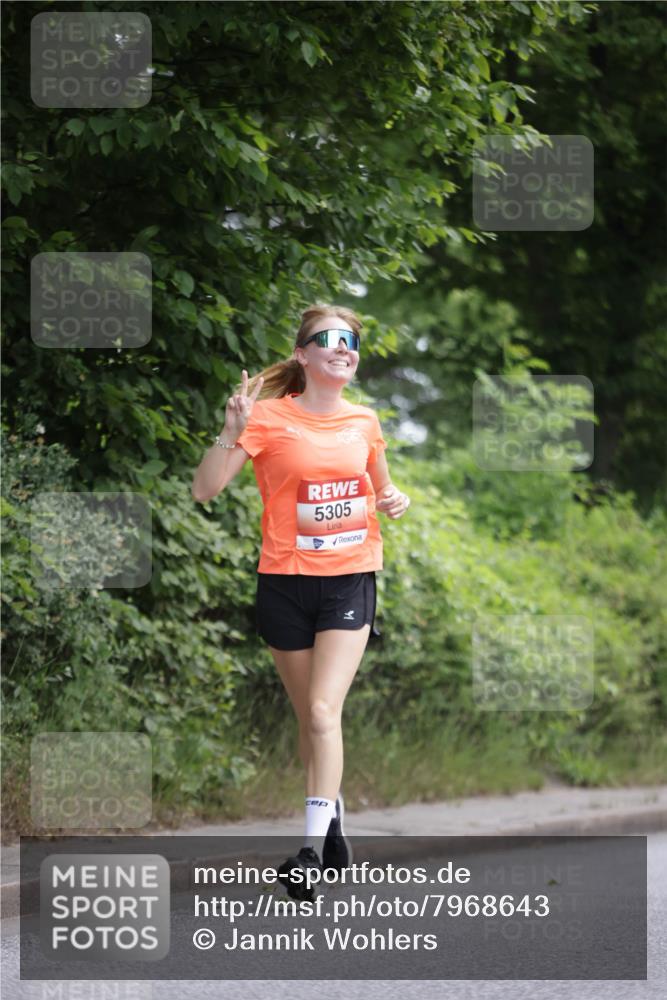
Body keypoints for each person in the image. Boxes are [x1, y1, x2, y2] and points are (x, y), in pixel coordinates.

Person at [191, 303, 410, 901]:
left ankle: (310, 852)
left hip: (349, 580)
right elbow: (205, 489)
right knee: (308, 720)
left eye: (352, 341)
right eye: (330, 339)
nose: (344, 348)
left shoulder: (365, 421)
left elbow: (383, 487)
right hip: (284, 583)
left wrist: (393, 500)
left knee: (321, 712)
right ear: (303, 355)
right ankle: (332, 812)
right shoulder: (265, 418)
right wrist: (231, 431)